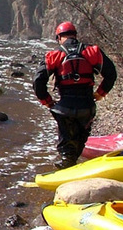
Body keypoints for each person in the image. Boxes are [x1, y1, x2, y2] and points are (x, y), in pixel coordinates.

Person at [33, 21, 117, 169]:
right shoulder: (93, 51)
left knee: (67, 146)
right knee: (80, 141)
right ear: (75, 36)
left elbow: (38, 82)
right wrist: (100, 93)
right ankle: (73, 165)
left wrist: (47, 101)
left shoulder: (54, 55)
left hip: (65, 108)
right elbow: (111, 74)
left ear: (59, 37)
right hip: (87, 106)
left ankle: (67, 166)